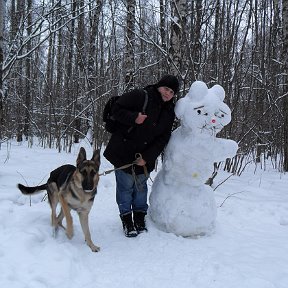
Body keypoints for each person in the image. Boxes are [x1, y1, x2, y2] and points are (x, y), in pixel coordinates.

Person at [103, 75, 180, 237]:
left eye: (172, 92)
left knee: (141, 188)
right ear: (159, 86)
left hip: (144, 159)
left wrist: (148, 157)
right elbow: (116, 110)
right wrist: (134, 118)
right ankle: (126, 220)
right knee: (125, 188)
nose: (168, 93)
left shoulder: (169, 112)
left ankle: (139, 218)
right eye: (166, 88)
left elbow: (163, 137)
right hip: (123, 153)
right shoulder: (140, 96)